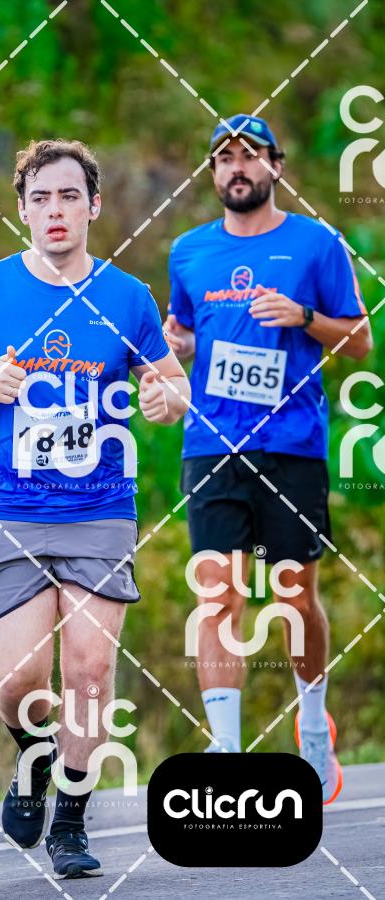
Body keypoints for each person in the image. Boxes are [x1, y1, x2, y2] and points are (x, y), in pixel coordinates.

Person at [0, 139, 190, 878]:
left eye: (69, 196)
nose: (55, 210)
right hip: (10, 508)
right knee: (17, 683)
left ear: (92, 206)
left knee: (90, 672)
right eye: (40, 198)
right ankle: (34, 753)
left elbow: (172, 386)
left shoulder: (127, 297)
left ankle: (70, 822)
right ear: (22, 209)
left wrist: (165, 399)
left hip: (101, 507)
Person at [164, 114, 373, 803]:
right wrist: (175, 347)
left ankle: (313, 723)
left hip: (292, 445)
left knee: (293, 595)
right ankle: (227, 749)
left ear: (275, 167)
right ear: (212, 173)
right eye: (224, 157)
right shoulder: (189, 252)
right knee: (217, 594)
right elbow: (182, 332)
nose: (237, 167)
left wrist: (304, 318)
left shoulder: (318, 244)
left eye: (250, 155)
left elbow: (360, 342)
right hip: (211, 444)